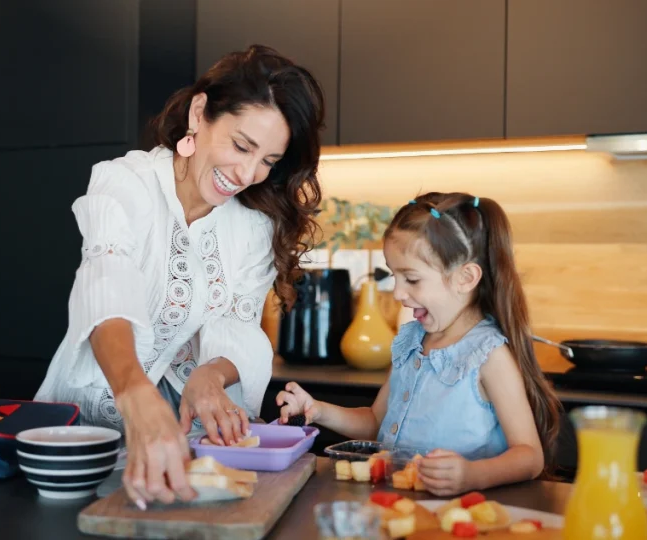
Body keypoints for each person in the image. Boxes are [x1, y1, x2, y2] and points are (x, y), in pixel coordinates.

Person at [34, 45, 325, 506]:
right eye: (241, 145)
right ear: (199, 112)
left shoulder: (254, 226)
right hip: (83, 432)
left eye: (269, 161)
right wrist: (134, 393)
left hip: (185, 437)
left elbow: (238, 328)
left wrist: (210, 375)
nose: (248, 173)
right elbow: (106, 283)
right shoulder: (125, 182)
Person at [277, 192, 562, 497]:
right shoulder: (412, 341)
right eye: (393, 275)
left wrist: (472, 475)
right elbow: (377, 422)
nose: (398, 292)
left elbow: (530, 456)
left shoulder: (488, 355)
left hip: (464, 514)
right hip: (398, 504)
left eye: (411, 279)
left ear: (465, 278)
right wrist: (317, 410)